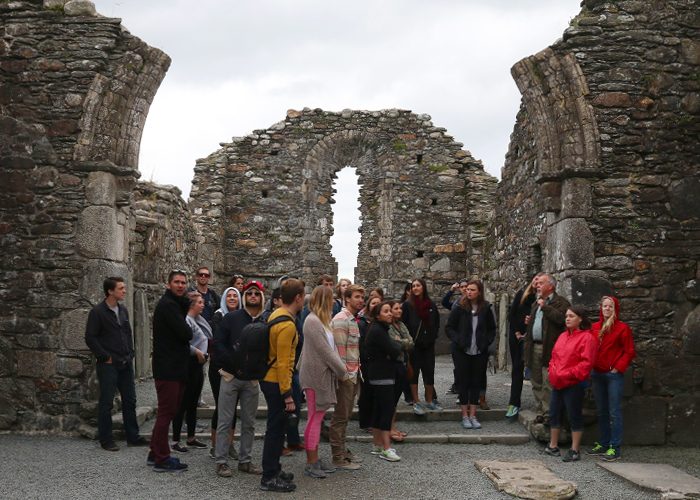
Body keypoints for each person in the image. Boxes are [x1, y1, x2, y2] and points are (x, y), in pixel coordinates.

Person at [85, 277, 148, 451]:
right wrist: (105, 356)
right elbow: (90, 337)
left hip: (125, 362)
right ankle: (106, 440)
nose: (124, 291)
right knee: (107, 402)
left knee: (130, 400)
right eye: (121, 288)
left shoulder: (123, 310)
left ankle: (132, 436)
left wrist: (131, 352)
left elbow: (127, 332)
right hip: (109, 365)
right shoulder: (97, 312)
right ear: (110, 291)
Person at [212, 281, 266, 477]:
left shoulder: (264, 322)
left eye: (257, 293)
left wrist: (259, 371)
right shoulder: (231, 318)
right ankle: (221, 461)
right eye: (250, 293)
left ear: (261, 297)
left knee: (249, 422)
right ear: (245, 297)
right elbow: (218, 343)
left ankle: (245, 461)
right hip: (230, 376)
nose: (253, 296)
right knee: (225, 421)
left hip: (251, 380)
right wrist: (232, 365)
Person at [259, 278, 305, 492]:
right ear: (297, 298)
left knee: (276, 428)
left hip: (271, 379)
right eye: (303, 296)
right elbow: (284, 362)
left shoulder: (277, 315)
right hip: (276, 382)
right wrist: (287, 394)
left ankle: (274, 469)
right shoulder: (286, 324)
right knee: (276, 430)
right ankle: (269, 477)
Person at [299, 286, 348, 478]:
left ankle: (315, 459)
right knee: (314, 419)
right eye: (331, 299)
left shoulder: (322, 321)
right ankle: (311, 462)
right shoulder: (312, 321)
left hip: (320, 375)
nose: (334, 302)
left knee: (317, 418)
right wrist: (343, 371)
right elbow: (325, 351)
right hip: (314, 376)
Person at [148, 270, 192, 472]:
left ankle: (154, 451)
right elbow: (185, 333)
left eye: (183, 282)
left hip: (174, 367)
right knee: (167, 413)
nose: (181, 285)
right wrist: (188, 317)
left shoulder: (174, 305)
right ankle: (162, 458)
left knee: (169, 411)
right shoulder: (168, 306)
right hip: (169, 369)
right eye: (176, 282)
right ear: (168, 284)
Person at [545, 306, 597, 462]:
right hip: (558, 381)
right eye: (567, 316)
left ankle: (574, 449)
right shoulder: (562, 336)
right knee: (554, 412)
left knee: (573, 414)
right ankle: (553, 445)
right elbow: (554, 356)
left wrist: (567, 374)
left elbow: (586, 364)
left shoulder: (587, 338)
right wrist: (552, 371)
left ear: (580, 319)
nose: (567, 318)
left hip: (574, 383)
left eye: (571, 316)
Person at [588, 296, 636, 461]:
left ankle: (614, 448)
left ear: (615, 309)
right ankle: (603, 443)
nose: (607, 309)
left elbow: (629, 351)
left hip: (613, 375)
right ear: (601, 308)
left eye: (610, 306)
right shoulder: (594, 327)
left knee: (614, 412)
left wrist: (618, 368)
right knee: (601, 411)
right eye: (604, 306)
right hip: (597, 373)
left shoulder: (622, 328)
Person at [446, 280, 496, 430]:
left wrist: (486, 342)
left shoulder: (485, 308)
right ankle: (464, 415)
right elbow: (449, 327)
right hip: (462, 350)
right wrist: (458, 340)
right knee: (463, 381)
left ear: (479, 292)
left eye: (472, 290)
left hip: (479, 350)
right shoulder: (459, 307)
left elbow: (492, 329)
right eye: (467, 289)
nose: (469, 292)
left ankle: (473, 414)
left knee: (476, 382)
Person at [524, 273, 570, 419]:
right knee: (536, 381)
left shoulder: (561, 302)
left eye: (541, 283)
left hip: (549, 347)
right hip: (534, 346)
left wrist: (545, 308)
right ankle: (540, 411)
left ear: (550, 286)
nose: (537, 286)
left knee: (548, 382)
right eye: (537, 284)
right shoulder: (536, 303)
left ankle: (549, 414)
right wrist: (530, 321)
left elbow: (561, 320)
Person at [329, 284, 365, 469]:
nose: (361, 300)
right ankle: (338, 457)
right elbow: (339, 352)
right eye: (357, 297)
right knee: (341, 416)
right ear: (347, 298)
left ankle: (342, 450)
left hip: (353, 373)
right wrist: (345, 376)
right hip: (346, 376)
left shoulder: (352, 319)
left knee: (346, 415)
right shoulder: (342, 320)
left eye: (362, 297)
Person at [171, 291, 211, 452]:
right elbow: (181, 343)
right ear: (192, 304)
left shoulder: (196, 320)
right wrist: (198, 352)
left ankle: (191, 437)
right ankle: (175, 440)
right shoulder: (186, 320)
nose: (203, 304)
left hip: (197, 365)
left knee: (193, 403)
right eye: (200, 302)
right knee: (182, 403)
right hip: (189, 364)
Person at [365, 301, 403, 461]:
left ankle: (377, 444)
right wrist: (393, 349)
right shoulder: (379, 331)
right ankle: (386, 448)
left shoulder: (377, 329)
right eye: (386, 311)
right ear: (378, 315)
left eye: (390, 311)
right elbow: (395, 349)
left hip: (379, 374)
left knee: (378, 410)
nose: (390, 313)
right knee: (386, 410)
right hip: (383, 375)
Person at [208, 286, 241, 460]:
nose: (232, 298)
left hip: (236, 368)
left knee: (233, 408)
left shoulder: (243, 317)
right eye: (229, 295)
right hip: (219, 368)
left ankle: (229, 444)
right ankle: (215, 445)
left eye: (235, 295)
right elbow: (218, 342)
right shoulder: (218, 316)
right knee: (221, 407)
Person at [402, 278, 441, 415]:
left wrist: (432, 337)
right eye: (413, 286)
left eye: (418, 285)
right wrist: (408, 341)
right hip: (414, 346)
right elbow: (403, 324)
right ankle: (416, 401)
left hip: (428, 345)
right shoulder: (407, 305)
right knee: (414, 374)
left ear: (423, 287)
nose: (415, 288)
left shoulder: (430, 305)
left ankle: (430, 400)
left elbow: (436, 323)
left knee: (429, 372)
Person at [505, 274, 540, 419]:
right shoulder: (522, 294)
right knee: (517, 369)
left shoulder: (543, 301)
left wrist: (530, 326)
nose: (537, 283)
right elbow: (511, 315)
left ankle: (541, 405)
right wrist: (517, 332)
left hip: (534, 338)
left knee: (538, 371)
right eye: (535, 280)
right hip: (517, 337)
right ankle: (514, 403)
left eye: (540, 281)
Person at [388, 300, 413, 441]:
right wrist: (404, 342)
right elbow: (394, 343)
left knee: (395, 399)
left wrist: (402, 341)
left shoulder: (401, 325)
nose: (399, 311)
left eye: (400, 308)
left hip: (402, 363)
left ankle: (393, 427)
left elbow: (411, 342)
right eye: (396, 308)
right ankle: (389, 429)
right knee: (390, 400)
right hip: (393, 365)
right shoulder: (388, 327)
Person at [357, 295, 382, 430]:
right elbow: (362, 344)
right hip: (367, 362)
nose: (376, 305)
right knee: (366, 392)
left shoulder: (380, 322)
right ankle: (365, 422)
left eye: (378, 303)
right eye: (373, 303)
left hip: (378, 362)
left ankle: (373, 420)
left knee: (375, 392)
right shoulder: (362, 322)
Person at [441, 278, 469, 396]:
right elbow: (444, 303)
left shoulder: (474, 303)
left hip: (469, 338)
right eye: (462, 287)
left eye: (466, 287)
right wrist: (451, 291)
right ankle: (458, 386)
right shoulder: (456, 304)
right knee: (458, 365)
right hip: (457, 339)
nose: (464, 289)